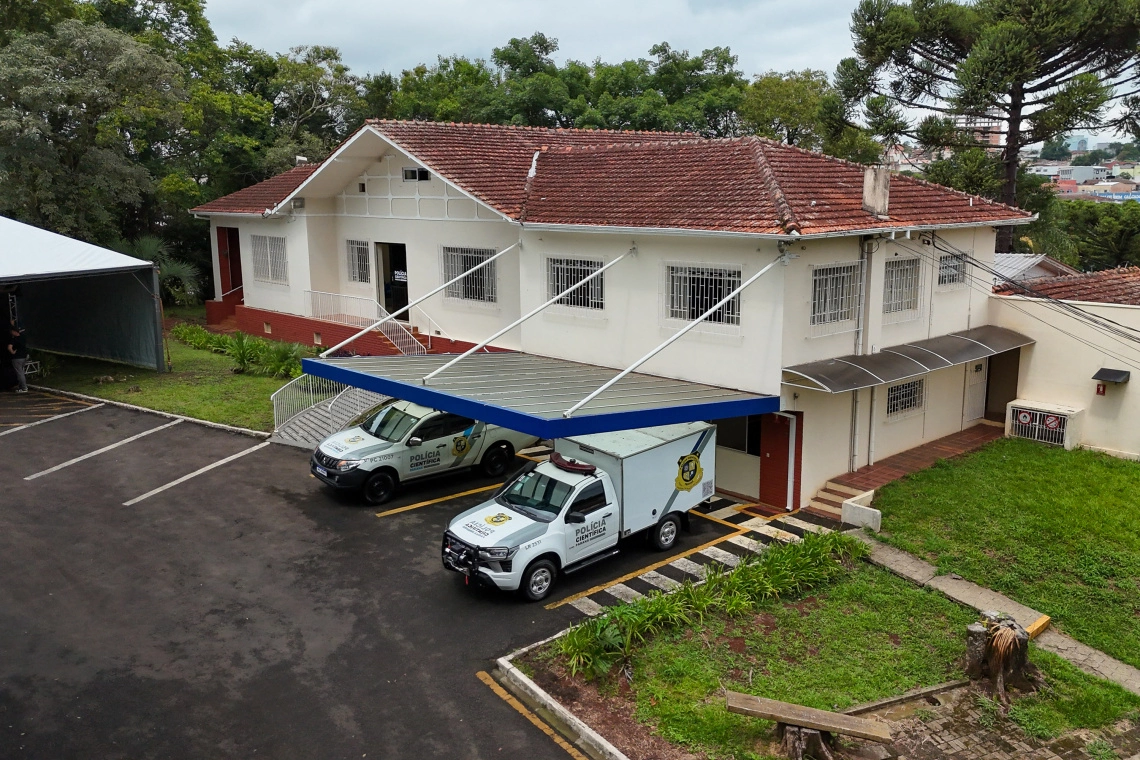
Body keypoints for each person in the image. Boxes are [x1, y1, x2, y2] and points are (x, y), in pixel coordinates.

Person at [8, 326, 27, 393]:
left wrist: (12, 352)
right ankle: (21, 387)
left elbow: (9, 347)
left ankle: (24, 388)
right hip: (24, 357)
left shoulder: (14, 339)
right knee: (21, 372)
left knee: (20, 373)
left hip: (17, 357)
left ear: (14, 332)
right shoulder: (23, 337)